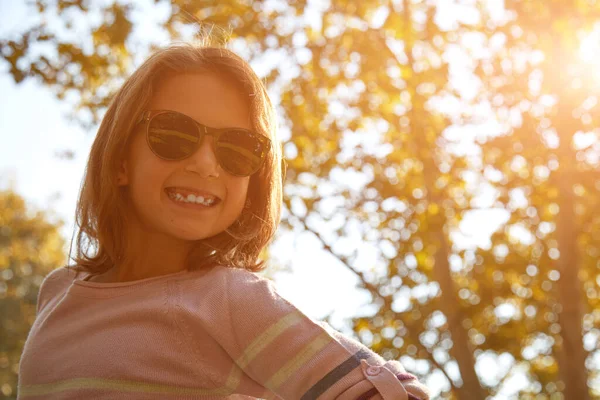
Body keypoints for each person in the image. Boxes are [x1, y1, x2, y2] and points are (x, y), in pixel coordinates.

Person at [17, 33, 431, 400]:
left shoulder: (232, 300)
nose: (206, 164)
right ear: (120, 159)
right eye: (175, 134)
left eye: (237, 148)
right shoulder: (58, 292)